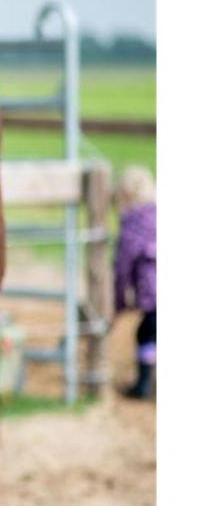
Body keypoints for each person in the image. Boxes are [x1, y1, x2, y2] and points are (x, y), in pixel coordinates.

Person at [113, 164, 156, 399]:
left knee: (146, 335)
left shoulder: (132, 224)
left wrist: (119, 303)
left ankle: (143, 385)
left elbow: (123, 269)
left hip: (154, 296)